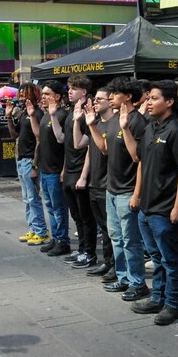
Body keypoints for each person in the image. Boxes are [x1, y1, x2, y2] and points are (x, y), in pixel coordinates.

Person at [129, 80, 178, 325]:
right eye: (148, 98)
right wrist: (137, 194)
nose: (148, 102)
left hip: (165, 210)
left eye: (154, 98)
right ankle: (158, 297)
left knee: (171, 260)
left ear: (170, 102)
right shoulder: (150, 127)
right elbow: (140, 161)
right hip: (146, 207)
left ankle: (173, 304)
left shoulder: (175, 130)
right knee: (156, 257)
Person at [86, 77, 149, 301]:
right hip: (111, 190)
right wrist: (92, 125)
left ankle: (137, 282)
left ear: (128, 96)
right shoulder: (114, 120)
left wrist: (137, 194)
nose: (110, 98)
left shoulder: (136, 121)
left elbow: (140, 159)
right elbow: (104, 149)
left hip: (128, 191)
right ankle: (123, 278)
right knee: (116, 237)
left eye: (114, 94)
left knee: (131, 240)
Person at [74, 87, 115, 280]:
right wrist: (84, 176)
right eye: (95, 99)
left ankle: (115, 266)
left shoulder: (115, 124)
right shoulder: (96, 122)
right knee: (103, 226)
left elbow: (105, 150)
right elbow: (83, 147)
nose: (95, 102)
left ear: (111, 100)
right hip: (95, 182)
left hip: (109, 183)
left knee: (111, 230)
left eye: (100, 99)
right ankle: (108, 263)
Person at [29, 81, 71, 257]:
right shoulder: (46, 115)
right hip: (45, 170)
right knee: (50, 207)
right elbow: (39, 139)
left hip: (56, 171)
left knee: (59, 207)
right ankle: (55, 238)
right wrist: (35, 165)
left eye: (47, 94)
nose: (43, 97)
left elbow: (67, 145)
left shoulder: (61, 115)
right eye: (43, 94)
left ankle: (63, 241)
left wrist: (64, 169)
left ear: (57, 97)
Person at [60, 75, 97, 269]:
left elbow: (87, 146)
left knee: (85, 216)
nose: (69, 91)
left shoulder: (88, 113)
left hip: (81, 171)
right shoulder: (71, 112)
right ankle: (82, 249)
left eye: (73, 88)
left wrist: (83, 176)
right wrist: (64, 169)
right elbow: (66, 144)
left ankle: (89, 252)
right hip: (70, 171)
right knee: (76, 215)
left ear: (83, 92)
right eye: (69, 88)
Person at [6, 83, 48, 245]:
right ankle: (33, 229)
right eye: (20, 92)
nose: (21, 95)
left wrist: (35, 165)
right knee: (27, 198)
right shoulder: (25, 112)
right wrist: (9, 117)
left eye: (24, 92)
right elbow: (14, 135)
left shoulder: (35, 113)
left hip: (30, 160)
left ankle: (40, 231)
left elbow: (39, 140)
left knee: (33, 197)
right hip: (21, 159)